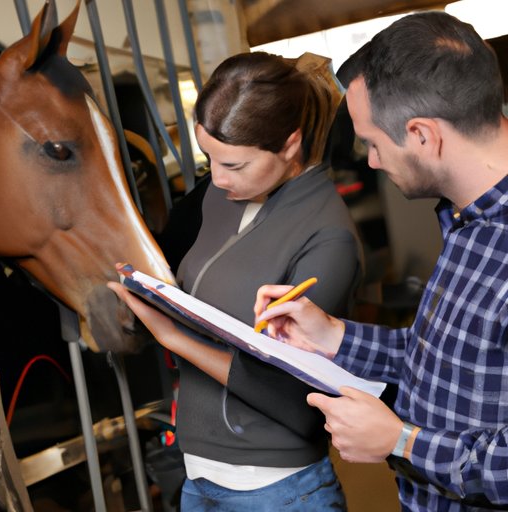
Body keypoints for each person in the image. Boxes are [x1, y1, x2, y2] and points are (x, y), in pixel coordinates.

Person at [253, 11, 508, 512]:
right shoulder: (469, 225)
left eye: (372, 142)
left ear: (421, 135)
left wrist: (402, 441)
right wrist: (332, 336)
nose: (370, 161)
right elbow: (447, 362)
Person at [109, 51, 364, 510]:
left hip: (278, 490)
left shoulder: (328, 236)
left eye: (235, 165)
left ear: (290, 144)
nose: (218, 178)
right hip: (198, 477)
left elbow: (288, 395)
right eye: (210, 159)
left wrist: (170, 336)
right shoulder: (222, 197)